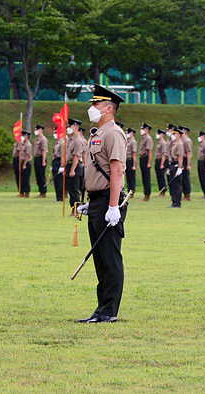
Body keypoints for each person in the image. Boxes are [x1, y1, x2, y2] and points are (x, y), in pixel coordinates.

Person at [74, 84, 128, 323]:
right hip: (98, 200)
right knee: (99, 258)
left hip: (109, 200)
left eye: (95, 104)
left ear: (108, 108)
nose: (91, 107)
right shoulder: (97, 133)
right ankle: (101, 308)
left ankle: (109, 310)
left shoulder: (113, 132)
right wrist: (91, 202)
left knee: (110, 257)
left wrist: (113, 206)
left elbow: (117, 171)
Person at [66, 119, 84, 210]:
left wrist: (72, 170)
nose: (68, 128)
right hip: (70, 165)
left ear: (76, 127)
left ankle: (77, 211)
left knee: (74, 190)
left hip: (75, 166)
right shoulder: (71, 139)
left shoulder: (78, 140)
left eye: (70, 126)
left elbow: (76, 156)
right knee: (71, 190)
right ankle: (73, 210)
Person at [168, 127, 185, 208]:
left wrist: (179, 168)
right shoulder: (174, 143)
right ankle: (174, 201)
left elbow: (180, 157)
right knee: (173, 184)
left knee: (177, 185)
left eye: (174, 133)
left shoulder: (179, 144)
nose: (173, 135)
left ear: (178, 135)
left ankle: (177, 202)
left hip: (176, 165)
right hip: (172, 165)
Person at [138, 123, 154, 201]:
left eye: (143, 129)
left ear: (147, 130)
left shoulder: (148, 138)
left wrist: (148, 162)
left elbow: (149, 151)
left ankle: (147, 194)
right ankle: (145, 193)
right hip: (142, 158)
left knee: (146, 177)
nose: (142, 130)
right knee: (144, 177)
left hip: (145, 158)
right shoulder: (143, 138)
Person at [33, 125, 48, 198]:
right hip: (37, 158)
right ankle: (40, 191)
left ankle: (43, 192)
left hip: (41, 158)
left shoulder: (43, 139)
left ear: (41, 130)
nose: (36, 131)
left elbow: (44, 150)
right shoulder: (37, 139)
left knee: (41, 176)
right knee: (38, 176)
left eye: (37, 129)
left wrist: (43, 161)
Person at [195, 130, 205, 200]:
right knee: (201, 178)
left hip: (204, 162)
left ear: (203, 137)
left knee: (204, 178)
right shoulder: (201, 145)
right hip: (200, 162)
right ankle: (204, 193)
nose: (199, 137)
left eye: (200, 136)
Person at [180, 125, 193, 201]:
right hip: (182, 159)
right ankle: (184, 194)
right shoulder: (182, 140)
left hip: (185, 159)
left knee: (185, 178)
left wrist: (188, 164)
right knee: (182, 178)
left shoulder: (186, 140)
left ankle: (187, 195)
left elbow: (188, 153)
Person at [154, 129, 168, 199]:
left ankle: (163, 191)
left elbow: (163, 154)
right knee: (158, 177)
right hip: (157, 160)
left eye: (159, 133)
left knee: (161, 177)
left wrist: (162, 164)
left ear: (162, 134)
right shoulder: (159, 142)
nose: (157, 135)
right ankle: (160, 191)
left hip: (160, 160)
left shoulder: (163, 143)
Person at [18, 130, 32, 198]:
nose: (21, 137)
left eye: (23, 135)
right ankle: (22, 192)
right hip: (23, 162)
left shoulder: (28, 145)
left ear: (26, 136)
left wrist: (24, 164)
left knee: (26, 178)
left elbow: (27, 155)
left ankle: (27, 192)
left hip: (26, 163)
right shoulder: (23, 144)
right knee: (22, 178)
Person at [52, 129, 65, 202]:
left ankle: (60, 197)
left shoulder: (62, 142)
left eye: (56, 133)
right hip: (55, 161)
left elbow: (63, 155)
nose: (54, 134)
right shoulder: (57, 142)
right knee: (56, 181)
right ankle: (57, 197)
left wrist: (62, 166)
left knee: (59, 181)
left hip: (59, 161)